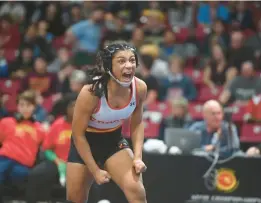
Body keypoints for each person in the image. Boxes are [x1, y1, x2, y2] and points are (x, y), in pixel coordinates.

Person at [67, 42, 147, 203]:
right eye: (121, 61)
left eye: (132, 60)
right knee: (75, 199)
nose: (129, 65)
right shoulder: (91, 92)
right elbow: (78, 135)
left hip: (113, 141)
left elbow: (137, 124)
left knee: (136, 190)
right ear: (108, 66)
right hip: (85, 143)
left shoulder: (139, 88)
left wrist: (138, 157)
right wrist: (95, 170)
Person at [0, 90, 45, 202]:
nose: (25, 108)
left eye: (28, 105)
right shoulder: (6, 122)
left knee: (23, 177)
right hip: (4, 159)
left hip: (22, 165)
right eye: (21, 105)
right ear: (18, 107)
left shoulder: (40, 129)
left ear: (34, 107)